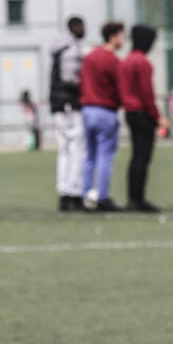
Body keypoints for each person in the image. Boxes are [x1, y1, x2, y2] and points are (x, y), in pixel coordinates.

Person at [79, 20, 126, 212]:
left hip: (87, 110)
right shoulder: (113, 60)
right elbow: (120, 88)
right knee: (105, 156)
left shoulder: (90, 56)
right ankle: (102, 196)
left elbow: (81, 81)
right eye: (122, 35)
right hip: (105, 111)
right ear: (113, 36)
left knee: (89, 155)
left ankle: (85, 195)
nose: (124, 39)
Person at [120, 24, 167, 213]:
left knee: (135, 157)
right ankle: (138, 200)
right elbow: (147, 94)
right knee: (143, 157)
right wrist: (158, 117)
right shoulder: (142, 63)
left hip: (130, 112)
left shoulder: (125, 61)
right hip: (142, 113)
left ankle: (133, 197)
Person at [48, 16, 86, 211]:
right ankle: (74, 192)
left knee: (64, 150)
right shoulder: (71, 49)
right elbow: (71, 78)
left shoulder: (59, 48)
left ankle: (65, 192)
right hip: (69, 103)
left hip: (59, 103)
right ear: (74, 27)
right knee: (75, 149)